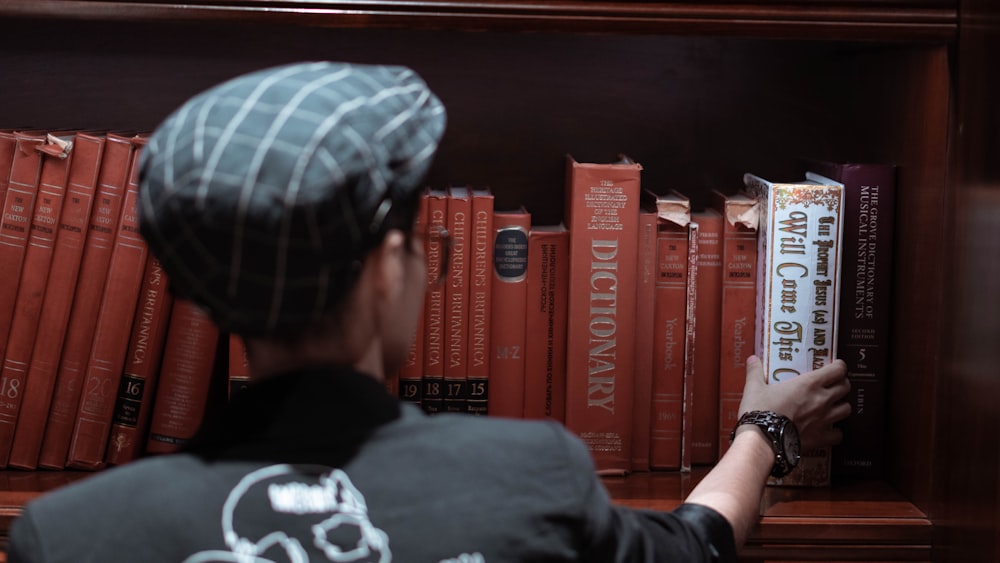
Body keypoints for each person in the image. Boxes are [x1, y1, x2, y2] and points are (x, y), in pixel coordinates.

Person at [7, 61, 850, 563]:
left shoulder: (71, 536)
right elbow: (695, 545)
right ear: (387, 271)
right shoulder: (529, 478)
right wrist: (763, 431)